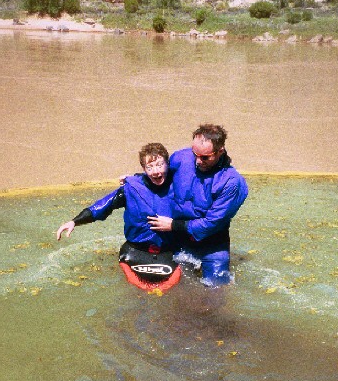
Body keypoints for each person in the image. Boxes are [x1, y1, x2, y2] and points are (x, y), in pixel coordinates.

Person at [56, 143, 181, 291]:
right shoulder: (131, 188)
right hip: (134, 252)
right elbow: (102, 206)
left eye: (160, 165)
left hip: (170, 252)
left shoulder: (180, 187)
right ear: (144, 169)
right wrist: (74, 221)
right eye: (150, 167)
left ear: (168, 164)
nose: (155, 172)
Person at [148, 124, 248, 286]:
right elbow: (158, 177)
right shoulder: (181, 158)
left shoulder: (231, 182)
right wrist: (135, 180)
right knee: (175, 289)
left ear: (220, 151)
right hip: (178, 239)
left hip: (213, 245)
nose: (198, 161)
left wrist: (173, 225)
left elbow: (212, 223)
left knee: (216, 293)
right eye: (195, 154)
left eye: (205, 157)